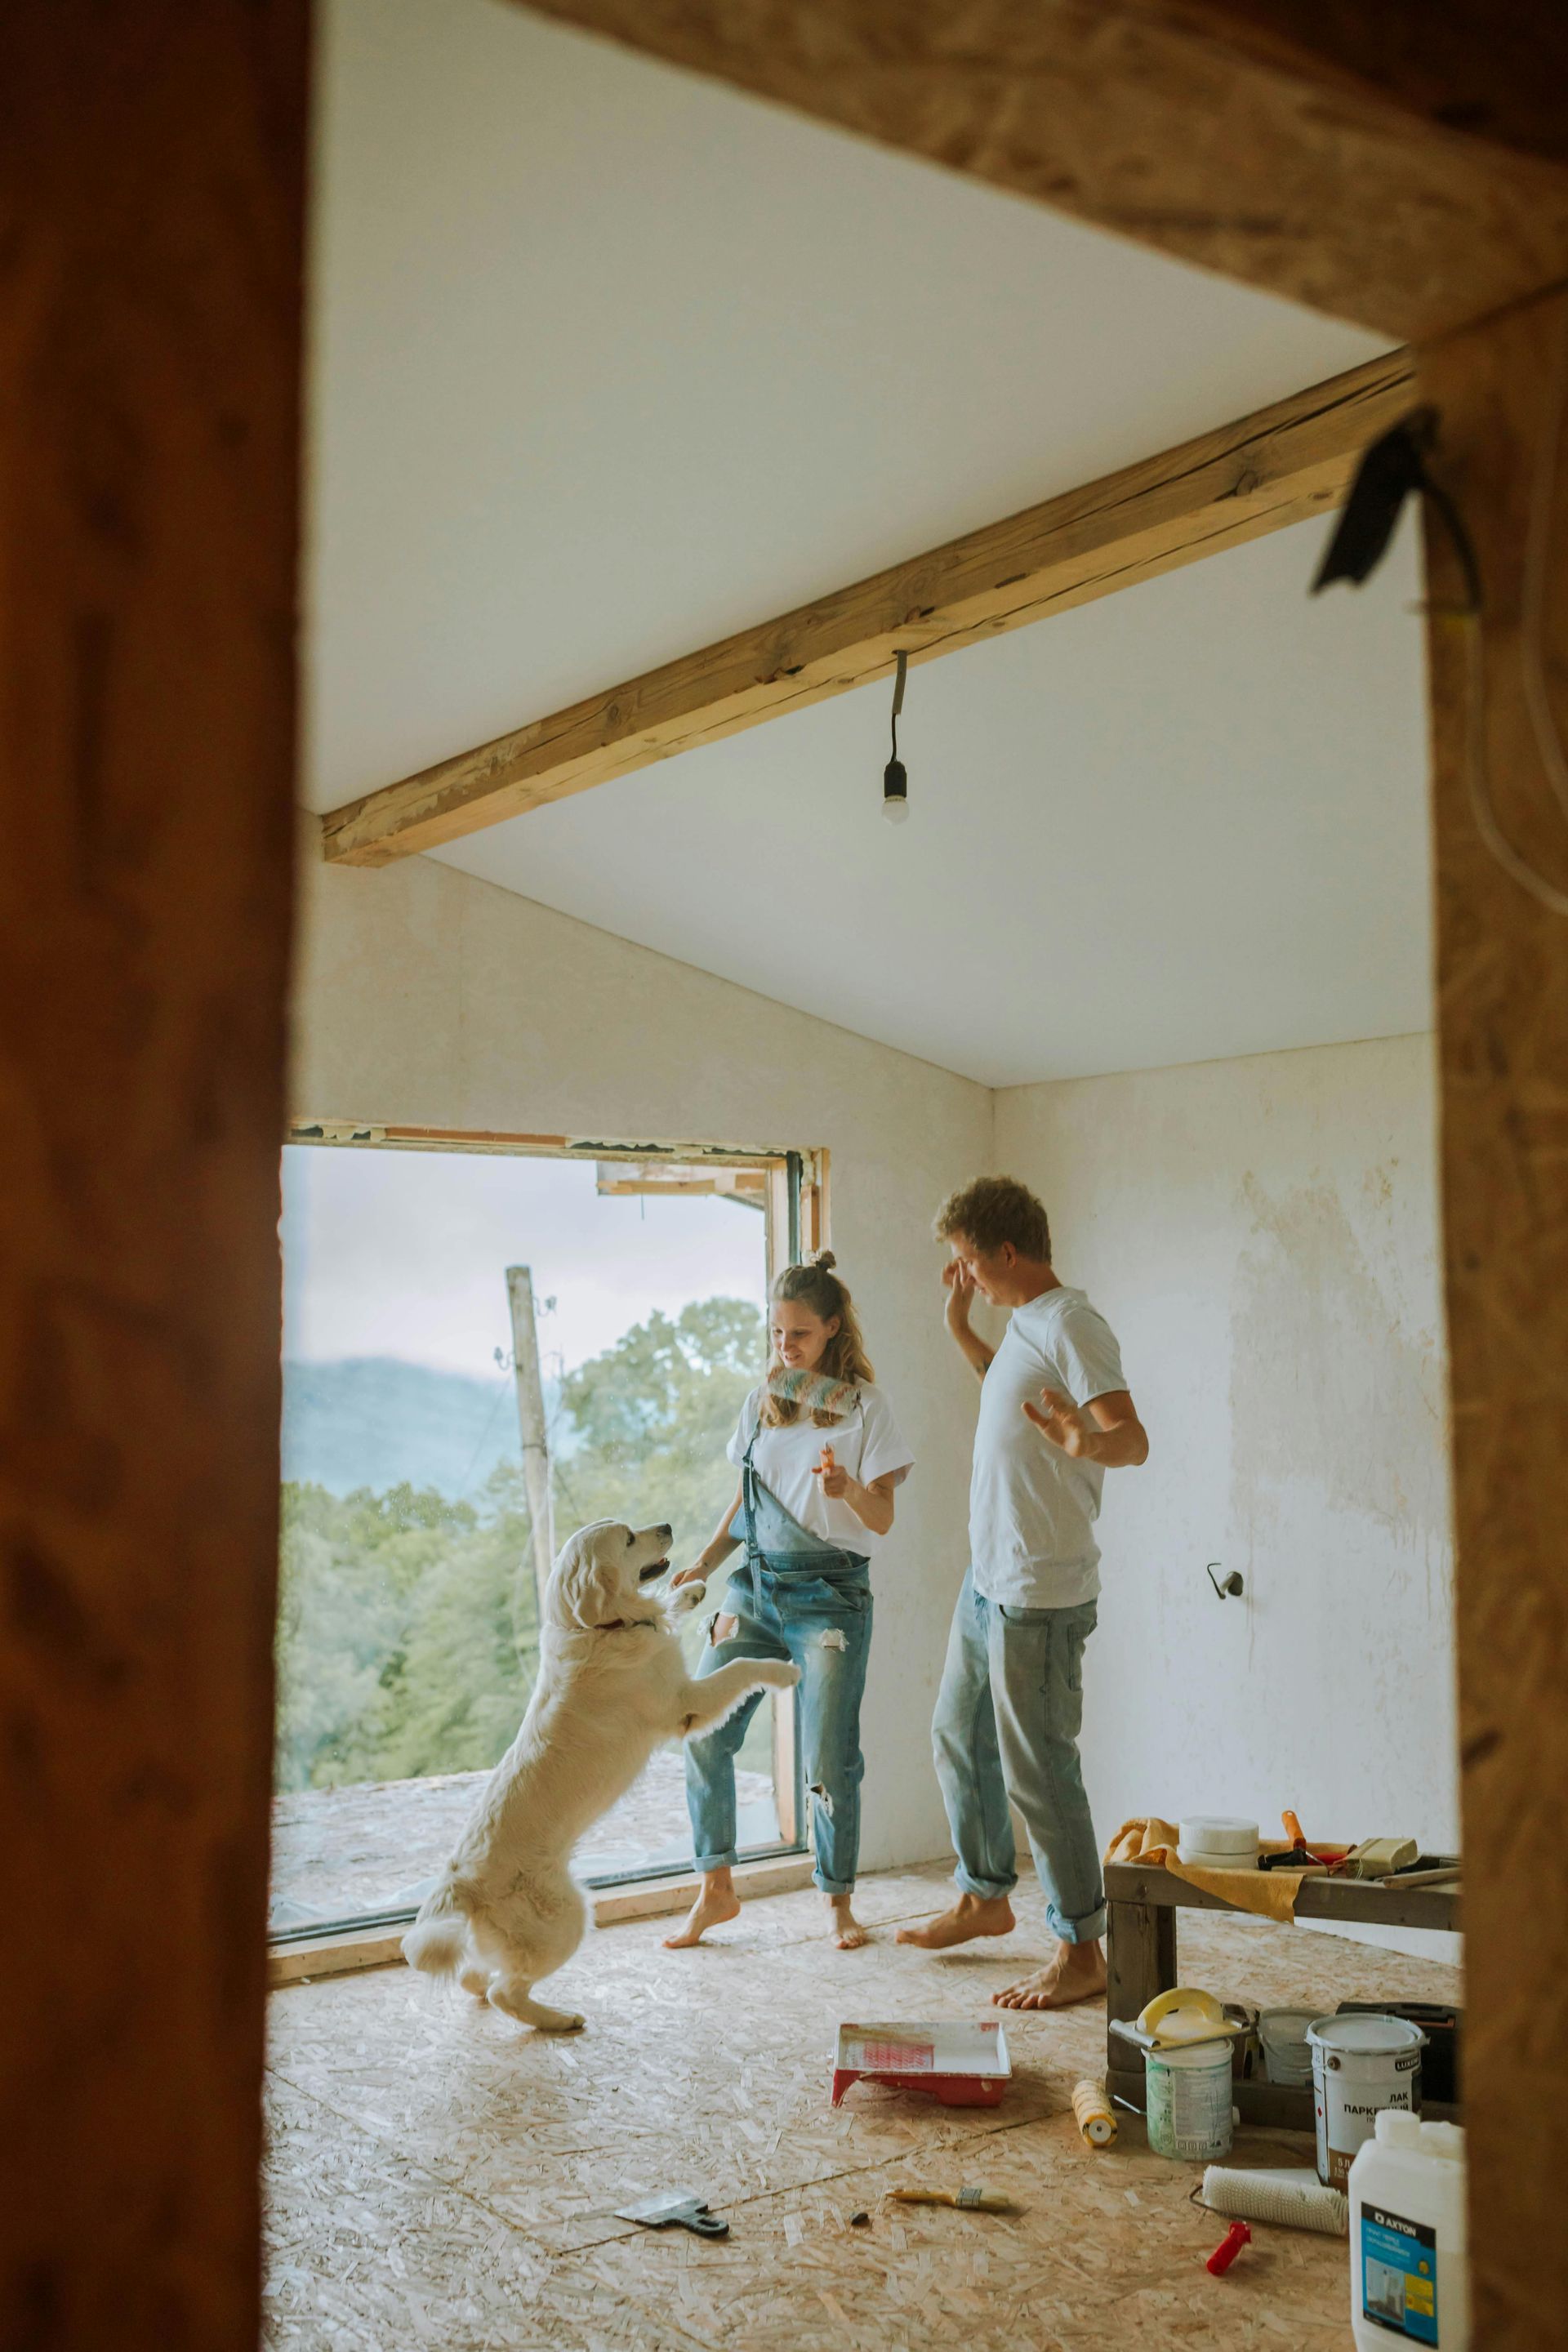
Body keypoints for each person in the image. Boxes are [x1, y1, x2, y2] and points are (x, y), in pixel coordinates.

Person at [898, 1176, 1147, 2008]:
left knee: (1040, 1773)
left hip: (1039, 1592)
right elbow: (1003, 1388)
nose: (965, 1274)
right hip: (990, 1579)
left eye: (969, 1262)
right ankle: (985, 1897)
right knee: (957, 1735)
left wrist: (1087, 1439)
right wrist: (958, 1325)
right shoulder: (1024, 1326)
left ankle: (1081, 1950)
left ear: (1007, 1252)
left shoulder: (1072, 1322)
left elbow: (1131, 1439)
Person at [664, 1253, 912, 1952]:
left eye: (799, 1334)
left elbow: (883, 1517)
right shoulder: (762, 1403)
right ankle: (716, 1890)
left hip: (830, 1599)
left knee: (828, 1759)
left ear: (833, 1327)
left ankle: (837, 1901)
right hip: (754, 1589)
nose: (786, 1346)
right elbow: (747, 1500)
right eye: (777, 1333)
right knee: (700, 1727)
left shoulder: (865, 1407)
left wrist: (848, 1490)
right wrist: (704, 1564)